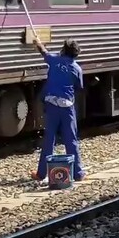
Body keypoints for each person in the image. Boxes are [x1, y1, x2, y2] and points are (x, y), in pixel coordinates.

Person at [30, 36, 86, 184]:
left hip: (52, 105)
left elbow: (44, 53)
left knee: (49, 139)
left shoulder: (54, 60)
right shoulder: (76, 68)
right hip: (67, 107)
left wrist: (38, 42)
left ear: (63, 50)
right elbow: (79, 87)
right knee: (71, 139)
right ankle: (78, 173)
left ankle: (41, 174)